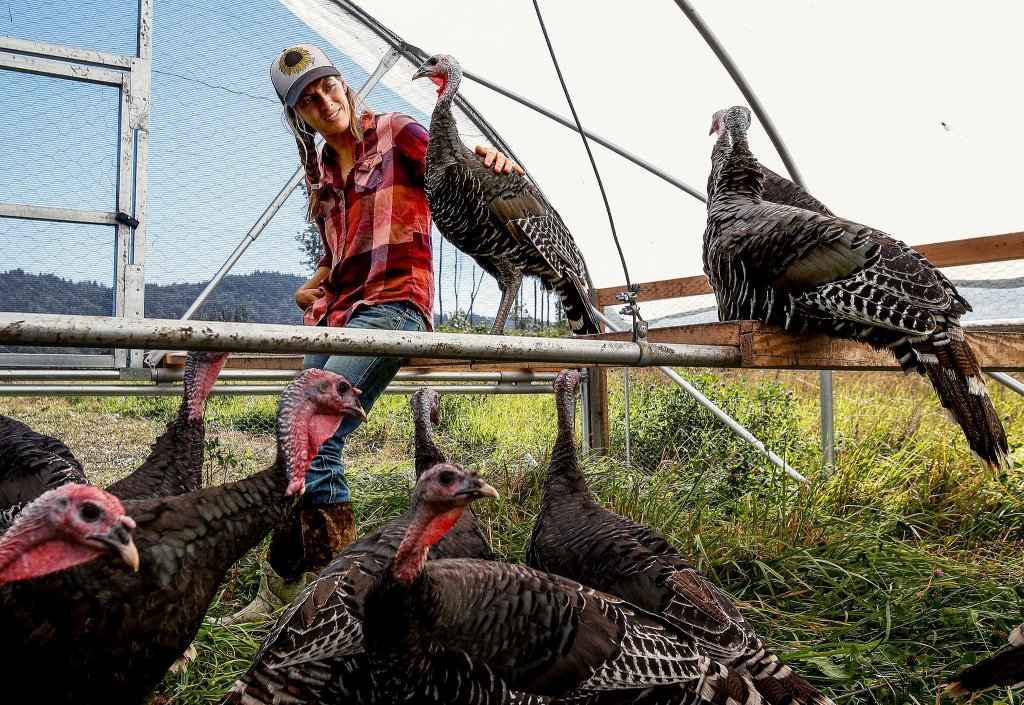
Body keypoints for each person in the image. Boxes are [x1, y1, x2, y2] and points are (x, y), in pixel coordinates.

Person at [220, 44, 522, 623]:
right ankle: (284, 587)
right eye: (308, 100)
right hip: (339, 313)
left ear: (344, 84)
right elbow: (341, 251)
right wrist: (308, 288)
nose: (324, 101)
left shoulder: (398, 132)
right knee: (295, 438)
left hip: (392, 305)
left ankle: (337, 601)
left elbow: (457, 169)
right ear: (298, 115)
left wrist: (492, 158)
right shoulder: (321, 174)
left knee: (318, 439)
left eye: (328, 86)